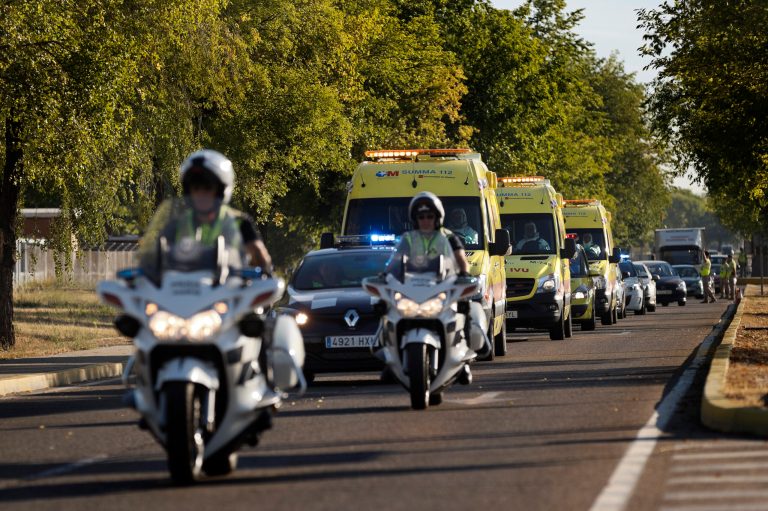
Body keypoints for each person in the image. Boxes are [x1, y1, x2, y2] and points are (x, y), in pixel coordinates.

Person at [176, 149, 273, 271]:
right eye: (195, 188)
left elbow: (261, 260)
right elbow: (154, 258)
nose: (201, 194)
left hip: (230, 287)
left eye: (207, 188)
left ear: (220, 191)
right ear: (188, 192)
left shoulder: (239, 222)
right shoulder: (177, 223)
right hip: (184, 288)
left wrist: (264, 274)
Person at [391, 192, 470, 274]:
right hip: (414, 283)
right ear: (415, 220)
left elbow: (462, 260)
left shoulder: (449, 237)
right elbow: (395, 261)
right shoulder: (408, 238)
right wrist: (386, 275)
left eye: (430, 217)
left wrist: (464, 274)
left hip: (445, 283)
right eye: (421, 217)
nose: (425, 221)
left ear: (437, 218)